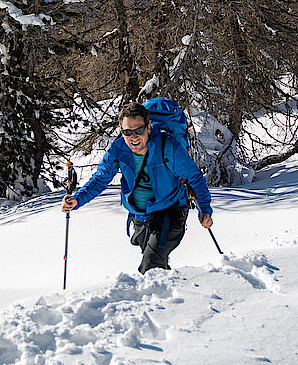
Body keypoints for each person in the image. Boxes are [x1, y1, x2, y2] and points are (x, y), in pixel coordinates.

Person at [61, 102, 213, 273]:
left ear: (148, 127)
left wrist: (205, 209)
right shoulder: (118, 149)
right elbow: (100, 179)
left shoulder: (168, 147)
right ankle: (174, 294)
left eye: (138, 131)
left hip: (171, 211)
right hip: (140, 215)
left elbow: (195, 178)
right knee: (157, 267)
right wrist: (77, 199)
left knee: (150, 265)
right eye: (127, 132)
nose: (133, 137)